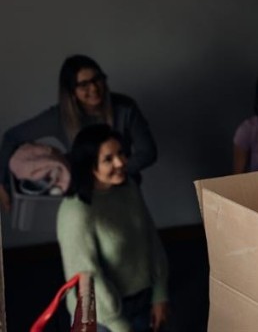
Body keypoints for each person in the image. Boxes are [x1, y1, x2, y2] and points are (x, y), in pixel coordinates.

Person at [0, 54, 157, 211]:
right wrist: (3, 184)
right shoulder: (58, 117)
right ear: (72, 92)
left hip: (124, 189)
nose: (94, 88)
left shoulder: (125, 107)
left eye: (97, 79)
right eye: (84, 85)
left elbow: (148, 152)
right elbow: (11, 137)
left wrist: (112, 174)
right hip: (86, 198)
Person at [57, 124, 169, 332]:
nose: (121, 162)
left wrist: (160, 293)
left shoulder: (129, 188)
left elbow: (151, 238)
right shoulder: (76, 211)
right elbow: (85, 276)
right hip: (100, 316)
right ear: (89, 165)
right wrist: (118, 325)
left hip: (141, 299)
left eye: (121, 153)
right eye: (108, 159)